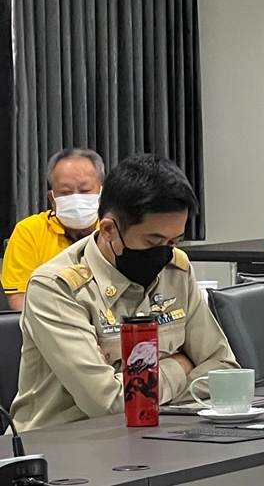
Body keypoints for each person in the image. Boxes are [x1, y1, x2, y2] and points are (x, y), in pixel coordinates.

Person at [10, 154, 238, 432]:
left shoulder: (176, 269)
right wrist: (180, 364)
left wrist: (141, 386)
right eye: (153, 241)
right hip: (62, 444)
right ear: (108, 230)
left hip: (159, 433)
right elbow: (110, 404)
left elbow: (224, 370)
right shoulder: (56, 287)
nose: (164, 252)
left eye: (173, 241)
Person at [2, 148, 105, 311]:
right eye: (65, 192)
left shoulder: (115, 231)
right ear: (52, 199)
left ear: (101, 194)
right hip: (49, 322)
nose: (76, 198)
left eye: (85, 190)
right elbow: (20, 298)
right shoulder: (29, 231)